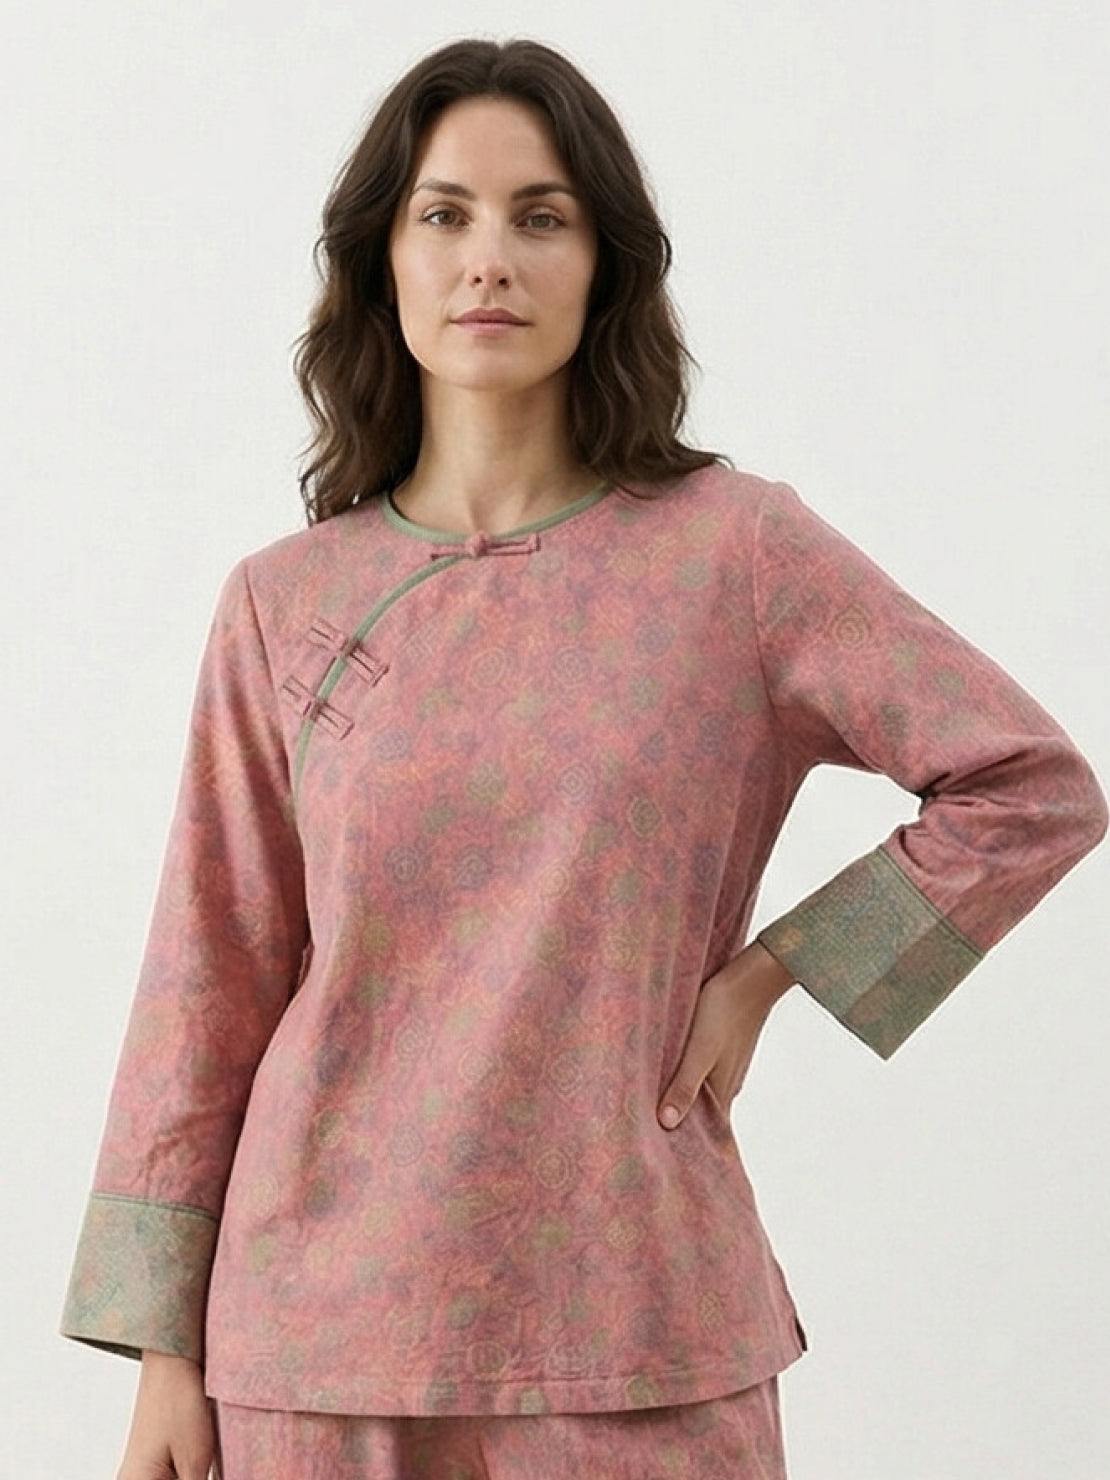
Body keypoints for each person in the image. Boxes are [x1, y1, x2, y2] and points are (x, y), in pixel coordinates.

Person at [58, 36, 1107, 1480]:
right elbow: (209, 975)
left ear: (604, 262)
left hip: (637, 1321)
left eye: (540, 217)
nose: (489, 258)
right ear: (382, 261)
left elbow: (1030, 788)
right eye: (445, 214)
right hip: (312, 1343)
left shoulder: (736, 554)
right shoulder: (281, 603)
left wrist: (778, 969)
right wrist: (164, 1362)